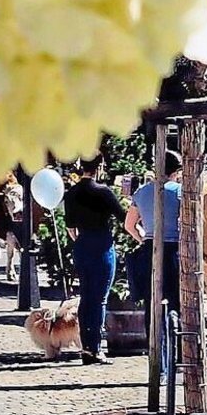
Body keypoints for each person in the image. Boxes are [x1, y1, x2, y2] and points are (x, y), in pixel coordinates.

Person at [63, 154, 126, 365]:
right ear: (99, 167)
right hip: (101, 244)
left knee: (86, 296)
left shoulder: (72, 193)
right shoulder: (104, 192)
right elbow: (123, 217)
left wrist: (81, 240)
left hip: (82, 245)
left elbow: (70, 227)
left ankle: (86, 347)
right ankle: (96, 348)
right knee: (100, 298)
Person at [125, 150, 183, 324]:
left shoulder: (141, 192)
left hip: (149, 250)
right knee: (175, 301)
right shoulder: (180, 191)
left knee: (151, 301)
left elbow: (129, 225)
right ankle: (176, 338)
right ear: (176, 171)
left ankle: (152, 337)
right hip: (174, 250)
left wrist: (143, 238)